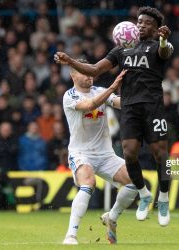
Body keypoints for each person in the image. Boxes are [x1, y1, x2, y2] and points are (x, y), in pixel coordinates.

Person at [55, 6, 174, 227]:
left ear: (156, 27)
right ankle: (143, 194)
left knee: (161, 154)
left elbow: (165, 53)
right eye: (138, 21)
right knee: (129, 154)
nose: (141, 25)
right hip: (130, 108)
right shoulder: (120, 50)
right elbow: (94, 70)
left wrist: (164, 41)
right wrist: (70, 61)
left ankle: (164, 197)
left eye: (147, 22)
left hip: (153, 107)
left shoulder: (159, 45)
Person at [62, 62, 137, 245]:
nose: (89, 76)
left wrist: (136, 100)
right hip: (81, 153)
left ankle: (111, 217)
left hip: (105, 154)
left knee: (134, 183)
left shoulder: (99, 90)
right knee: (88, 183)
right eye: (84, 73)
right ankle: (71, 235)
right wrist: (112, 87)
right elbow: (90, 105)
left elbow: (117, 102)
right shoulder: (70, 96)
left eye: (90, 72)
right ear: (73, 76)